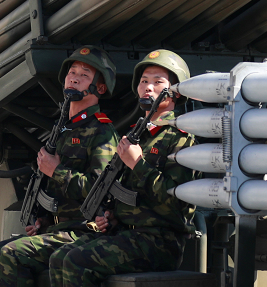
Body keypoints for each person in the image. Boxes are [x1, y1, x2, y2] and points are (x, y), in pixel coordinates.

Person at [49, 49, 198, 287]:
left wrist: (138, 164)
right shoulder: (136, 137)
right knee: (59, 258)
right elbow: (125, 193)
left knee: (76, 261)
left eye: (158, 82)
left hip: (159, 241)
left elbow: (177, 203)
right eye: (143, 81)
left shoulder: (181, 139)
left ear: (175, 92)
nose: (148, 87)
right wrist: (111, 216)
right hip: (126, 235)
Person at [0, 46, 119, 287]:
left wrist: (56, 171)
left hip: (86, 231)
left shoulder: (101, 131)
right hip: (61, 230)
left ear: (99, 88)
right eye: (72, 72)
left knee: (11, 254)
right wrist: (43, 220)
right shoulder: (63, 130)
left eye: (84, 75)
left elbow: (101, 190)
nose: (75, 77)